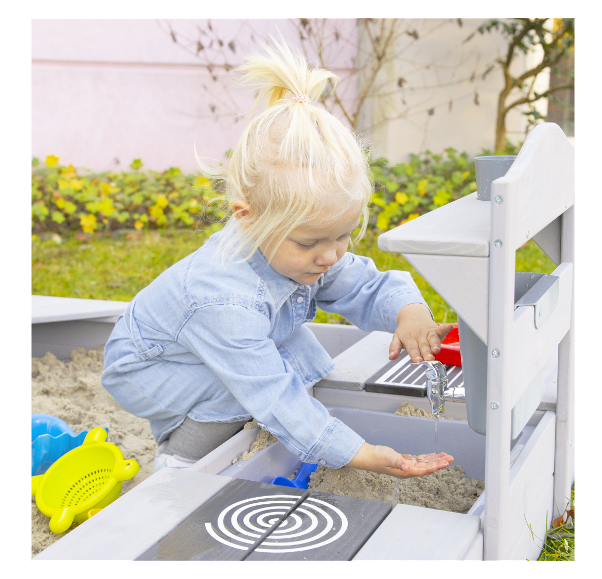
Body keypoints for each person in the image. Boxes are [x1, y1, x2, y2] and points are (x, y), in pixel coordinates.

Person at [101, 38, 454, 478]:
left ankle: (253, 436)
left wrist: (409, 311)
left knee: (295, 356)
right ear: (247, 218)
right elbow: (273, 396)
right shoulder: (223, 299)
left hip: (209, 341)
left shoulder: (308, 249)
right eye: (309, 243)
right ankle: (182, 463)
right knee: (236, 388)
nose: (329, 256)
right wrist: (357, 451)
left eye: (343, 235)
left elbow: (365, 284)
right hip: (148, 366)